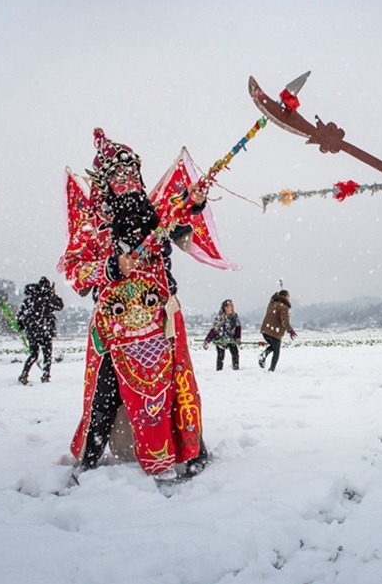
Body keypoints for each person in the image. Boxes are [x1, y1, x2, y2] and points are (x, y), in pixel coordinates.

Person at [58, 127, 208, 481]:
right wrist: (112, 266)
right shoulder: (93, 225)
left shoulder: (153, 212)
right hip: (116, 327)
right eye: (118, 176)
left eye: (131, 174)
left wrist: (195, 201)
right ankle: (90, 462)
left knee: (176, 388)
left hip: (160, 322)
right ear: (105, 183)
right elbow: (74, 270)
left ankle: (192, 451)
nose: (126, 181)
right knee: (104, 397)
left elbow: (178, 220)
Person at [17, 276, 64, 384]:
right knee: (47, 355)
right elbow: (60, 306)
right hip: (45, 331)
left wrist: (21, 326)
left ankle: (24, 374)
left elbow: (21, 315)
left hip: (32, 332)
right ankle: (45, 376)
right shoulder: (48, 297)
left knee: (33, 355)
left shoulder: (29, 299)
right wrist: (54, 294)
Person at [259, 290, 295, 372]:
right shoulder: (283, 307)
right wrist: (290, 330)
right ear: (285, 297)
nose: (289, 299)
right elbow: (284, 321)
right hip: (274, 332)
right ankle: (272, 369)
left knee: (273, 347)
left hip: (265, 330)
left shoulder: (271, 303)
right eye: (288, 297)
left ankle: (263, 356)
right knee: (276, 351)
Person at [204, 299, 242, 370]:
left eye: (232, 305)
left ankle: (236, 368)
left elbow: (238, 328)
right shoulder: (220, 317)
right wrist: (207, 340)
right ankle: (219, 370)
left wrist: (238, 338)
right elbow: (214, 330)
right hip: (220, 339)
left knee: (235, 353)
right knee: (221, 356)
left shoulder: (235, 316)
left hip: (231, 339)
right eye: (230, 306)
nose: (232, 307)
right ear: (225, 308)